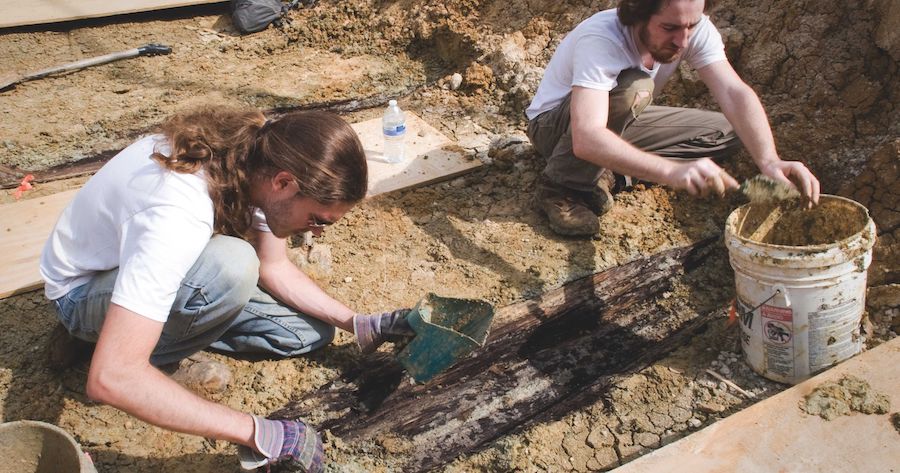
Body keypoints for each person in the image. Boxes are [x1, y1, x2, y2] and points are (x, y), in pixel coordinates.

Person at [39, 105, 413, 472]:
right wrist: (255, 431)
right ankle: (116, 343)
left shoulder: (258, 158)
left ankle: (144, 330)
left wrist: (359, 323)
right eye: (317, 219)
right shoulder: (177, 214)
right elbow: (112, 378)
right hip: (84, 289)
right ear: (284, 183)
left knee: (306, 333)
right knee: (232, 264)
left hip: (151, 264)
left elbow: (274, 266)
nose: (316, 233)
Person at [526, 0, 821, 236]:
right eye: (670, 28)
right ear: (637, 15)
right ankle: (561, 187)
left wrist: (769, 161)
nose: (682, 41)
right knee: (635, 89)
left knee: (728, 131)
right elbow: (587, 136)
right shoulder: (603, 37)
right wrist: (670, 171)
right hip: (554, 127)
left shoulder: (691, 28)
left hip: (617, 120)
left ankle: (608, 170)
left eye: (691, 26)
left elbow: (734, 93)